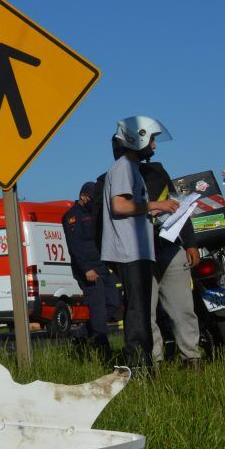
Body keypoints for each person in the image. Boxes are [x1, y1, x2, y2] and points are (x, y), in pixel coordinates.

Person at [100, 116, 181, 369]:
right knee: (138, 311)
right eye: (152, 140)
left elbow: (129, 207)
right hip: (129, 252)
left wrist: (151, 212)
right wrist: (157, 204)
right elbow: (119, 205)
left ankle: (142, 364)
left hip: (136, 251)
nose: (154, 146)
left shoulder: (130, 167)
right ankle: (138, 368)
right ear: (139, 138)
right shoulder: (124, 166)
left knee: (142, 310)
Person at [141, 160, 202, 368]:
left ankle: (192, 358)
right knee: (145, 313)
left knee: (183, 308)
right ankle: (154, 363)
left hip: (170, 248)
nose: (154, 146)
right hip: (140, 255)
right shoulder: (116, 179)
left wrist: (191, 244)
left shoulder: (157, 172)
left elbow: (180, 208)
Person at [63, 181, 120, 357]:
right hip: (88, 270)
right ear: (83, 197)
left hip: (102, 265)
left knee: (113, 302)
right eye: (92, 199)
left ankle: (80, 335)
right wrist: (86, 268)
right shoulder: (72, 216)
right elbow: (75, 246)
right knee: (98, 309)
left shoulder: (94, 213)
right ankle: (103, 351)